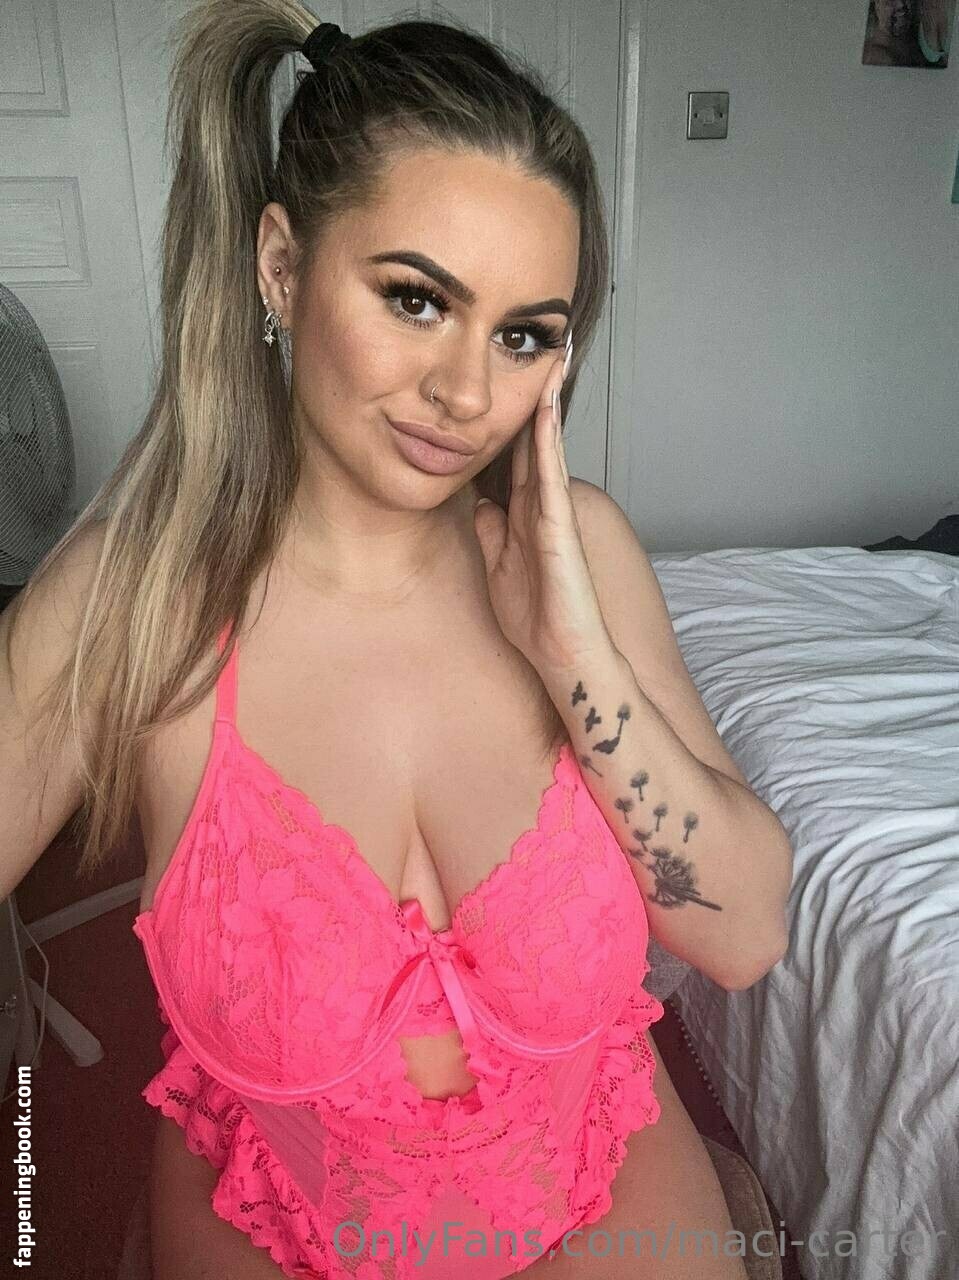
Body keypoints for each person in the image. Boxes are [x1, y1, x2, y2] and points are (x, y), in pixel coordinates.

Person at [1, 2, 791, 1276]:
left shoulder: (581, 553)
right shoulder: (134, 600)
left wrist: (572, 656)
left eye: (523, 335)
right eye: (416, 300)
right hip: (279, 1219)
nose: (467, 393)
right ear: (281, 265)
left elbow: (742, 931)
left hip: (599, 1186)